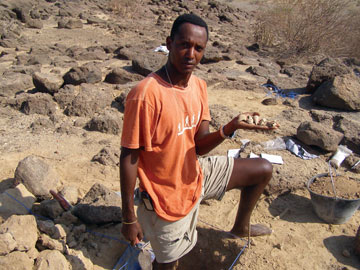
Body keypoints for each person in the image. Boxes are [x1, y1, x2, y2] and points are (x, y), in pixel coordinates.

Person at [120, 13, 275, 270]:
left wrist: (230, 127)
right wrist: (127, 218)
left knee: (262, 170)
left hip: (195, 173)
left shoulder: (199, 86)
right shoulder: (146, 94)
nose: (191, 54)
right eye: (184, 45)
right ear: (169, 43)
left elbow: (200, 145)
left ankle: (240, 228)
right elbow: (129, 157)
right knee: (168, 263)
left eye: (198, 48)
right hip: (165, 194)